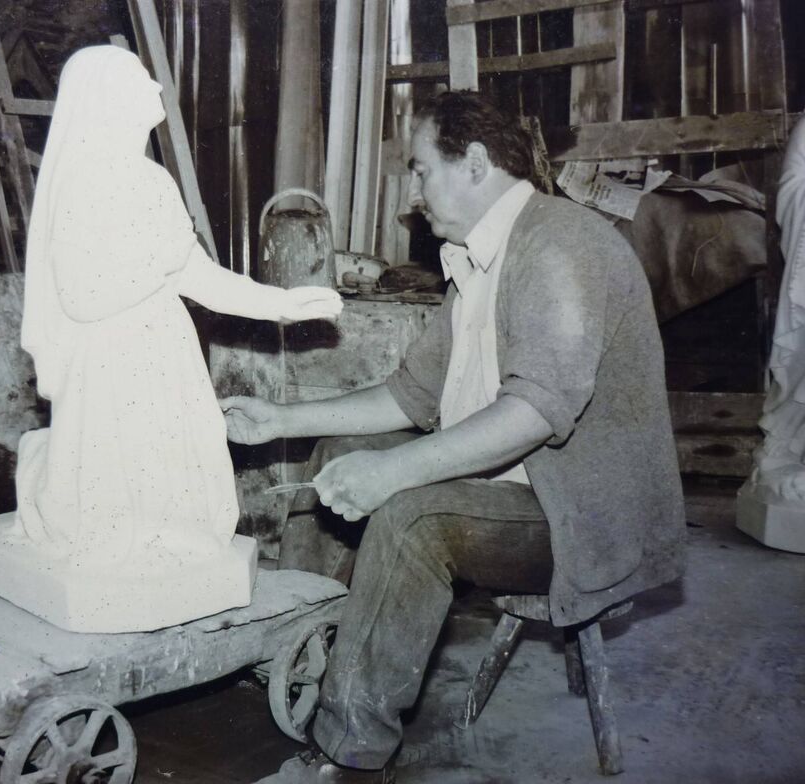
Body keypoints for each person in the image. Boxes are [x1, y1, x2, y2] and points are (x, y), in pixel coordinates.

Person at [224, 91, 685, 783]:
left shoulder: (563, 244)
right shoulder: (475, 259)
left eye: (420, 170)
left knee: (413, 517)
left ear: (473, 163)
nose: (413, 194)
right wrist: (284, 419)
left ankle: (349, 757)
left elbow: (534, 412)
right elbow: (409, 395)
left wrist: (395, 472)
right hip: (516, 487)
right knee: (340, 458)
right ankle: (296, 658)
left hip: (580, 514)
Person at [16, 46, 342, 572]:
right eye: (140, 80)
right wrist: (158, 263)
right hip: (108, 366)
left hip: (165, 352)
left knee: (181, 516)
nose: (157, 88)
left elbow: (197, 275)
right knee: (113, 515)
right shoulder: (81, 186)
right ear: (106, 98)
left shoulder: (155, 182)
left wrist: (281, 304)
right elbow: (82, 298)